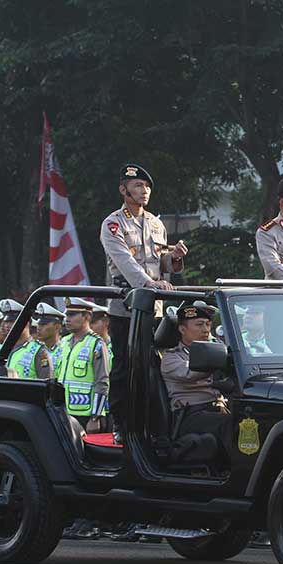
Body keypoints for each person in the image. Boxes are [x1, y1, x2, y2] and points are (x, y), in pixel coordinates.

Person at [100, 164, 188, 444]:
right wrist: (150, 283)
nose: (144, 191)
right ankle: (121, 423)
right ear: (123, 190)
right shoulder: (113, 223)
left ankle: (152, 425)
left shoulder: (155, 223)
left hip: (155, 306)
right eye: (138, 186)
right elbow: (125, 262)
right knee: (125, 365)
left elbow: (161, 263)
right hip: (126, 304)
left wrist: (173, 258)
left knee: (153, 365)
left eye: (147, 186)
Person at [160, 301, 236, 464]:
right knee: (231, 425)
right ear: (182, 329)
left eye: (208, 324)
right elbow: (191, 373)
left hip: (219, 408)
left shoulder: (216, 349)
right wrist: (222, 361)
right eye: (199, 324)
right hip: (189, 416)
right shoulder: (171, 357)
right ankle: (243, 472)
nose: (206, 330)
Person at [56, 298, 109, 430]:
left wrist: (95, 417)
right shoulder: (64, 342)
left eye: (72, 315)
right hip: (63, 411)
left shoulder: (96, 343)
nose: (67, 319)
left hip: (85, 414)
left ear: (87, 316)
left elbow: (102, 382)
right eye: (66, 314)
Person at [0, 299, 53, 379]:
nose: (7, 325)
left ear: (26, 323)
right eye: (7, 321)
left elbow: (46, 384)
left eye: (12, 321)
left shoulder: (38, 351)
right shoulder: (0, 349)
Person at [35, 302, 66, 370]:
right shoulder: (35, 349)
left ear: (57, 327)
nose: (38, 328)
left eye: (43, 324)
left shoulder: (65, 349)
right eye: (38, 324)